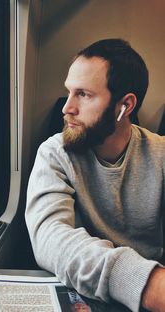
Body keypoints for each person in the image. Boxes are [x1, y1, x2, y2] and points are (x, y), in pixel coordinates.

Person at [25, 39, 165, 312]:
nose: (67, 108)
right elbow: (49, 238)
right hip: (87, 297)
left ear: (125, 105)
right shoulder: (54, 153)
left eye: (84, 94)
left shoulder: (161, 155)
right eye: (69, 92)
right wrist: (146, 283)